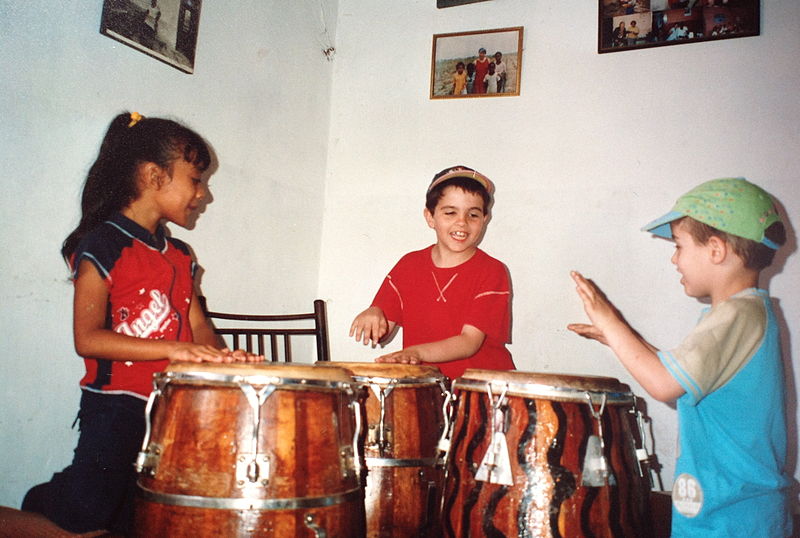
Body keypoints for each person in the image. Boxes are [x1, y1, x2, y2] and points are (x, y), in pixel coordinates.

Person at [21, 112, 262, 535]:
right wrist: (173, 349)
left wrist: (226, 359)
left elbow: (198, 326)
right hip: (117, 403)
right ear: (154, 176)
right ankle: (41, 501)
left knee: (142, 514)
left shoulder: (181, 254)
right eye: (196, 179)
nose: (204, 194)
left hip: (173, 406)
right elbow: (88, 339)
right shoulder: (103, 244)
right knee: (87, 512)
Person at [567, 177, 792, 537]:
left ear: (716, 250)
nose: (674, 259)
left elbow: (663, 384)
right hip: (726, 510)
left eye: (679, 246)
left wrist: (609, 319)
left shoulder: (738, 315)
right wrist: (621, 339)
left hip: (732, 517)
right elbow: (685, 372)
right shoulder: (744, 315)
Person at [349, 166, 515, 381]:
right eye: (450, 212)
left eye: (473, 214)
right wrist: (373, 313)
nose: (462, 222)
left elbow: (469, 341)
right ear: (430, 217)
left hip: (483, 389)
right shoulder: (409, 264)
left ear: (484, 220)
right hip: (426, 388)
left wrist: (416, 353)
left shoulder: (492, 270)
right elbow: (383, 332)